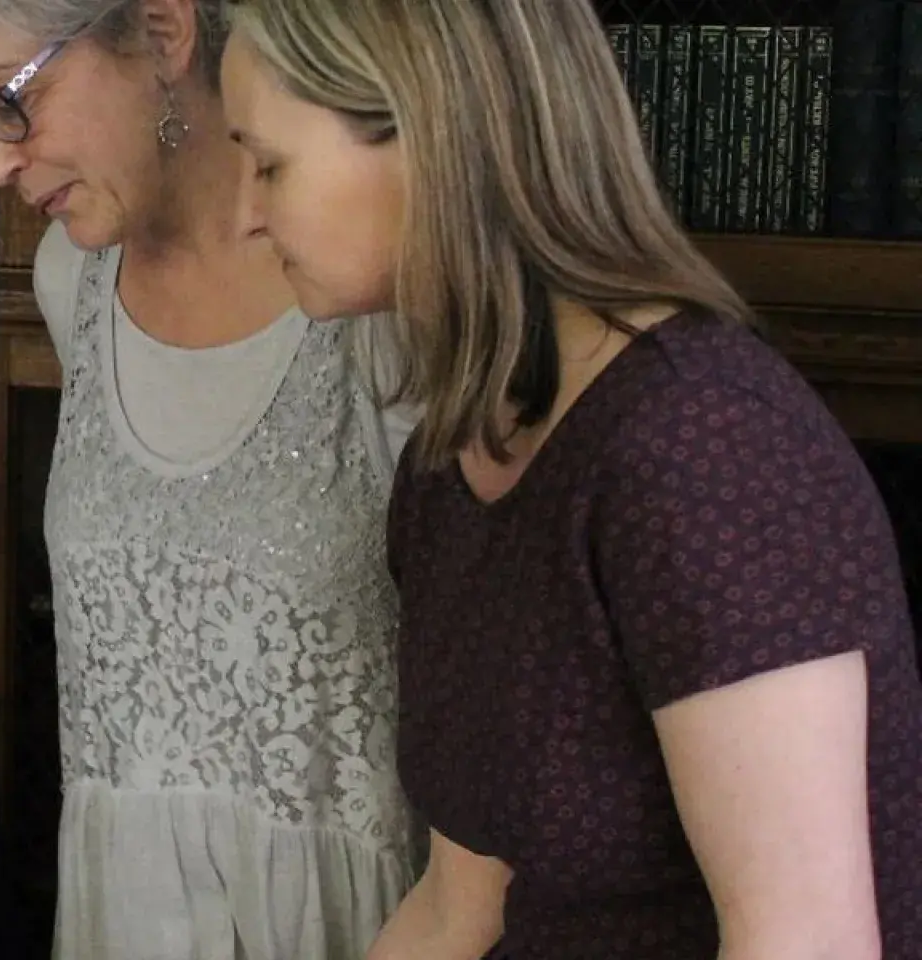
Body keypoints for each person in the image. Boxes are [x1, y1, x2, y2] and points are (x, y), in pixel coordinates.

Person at [220, 1, 922, 958]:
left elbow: (808, 941)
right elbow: (459, 907)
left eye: (268, 165)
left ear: (434, 132)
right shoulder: (451, 465)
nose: (246, 215)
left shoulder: (704, 448)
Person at [0, 0, 423, 955]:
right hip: (119, 915)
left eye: (7, 99)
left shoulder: (378, 291)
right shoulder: (70, 281)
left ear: (162, 33)